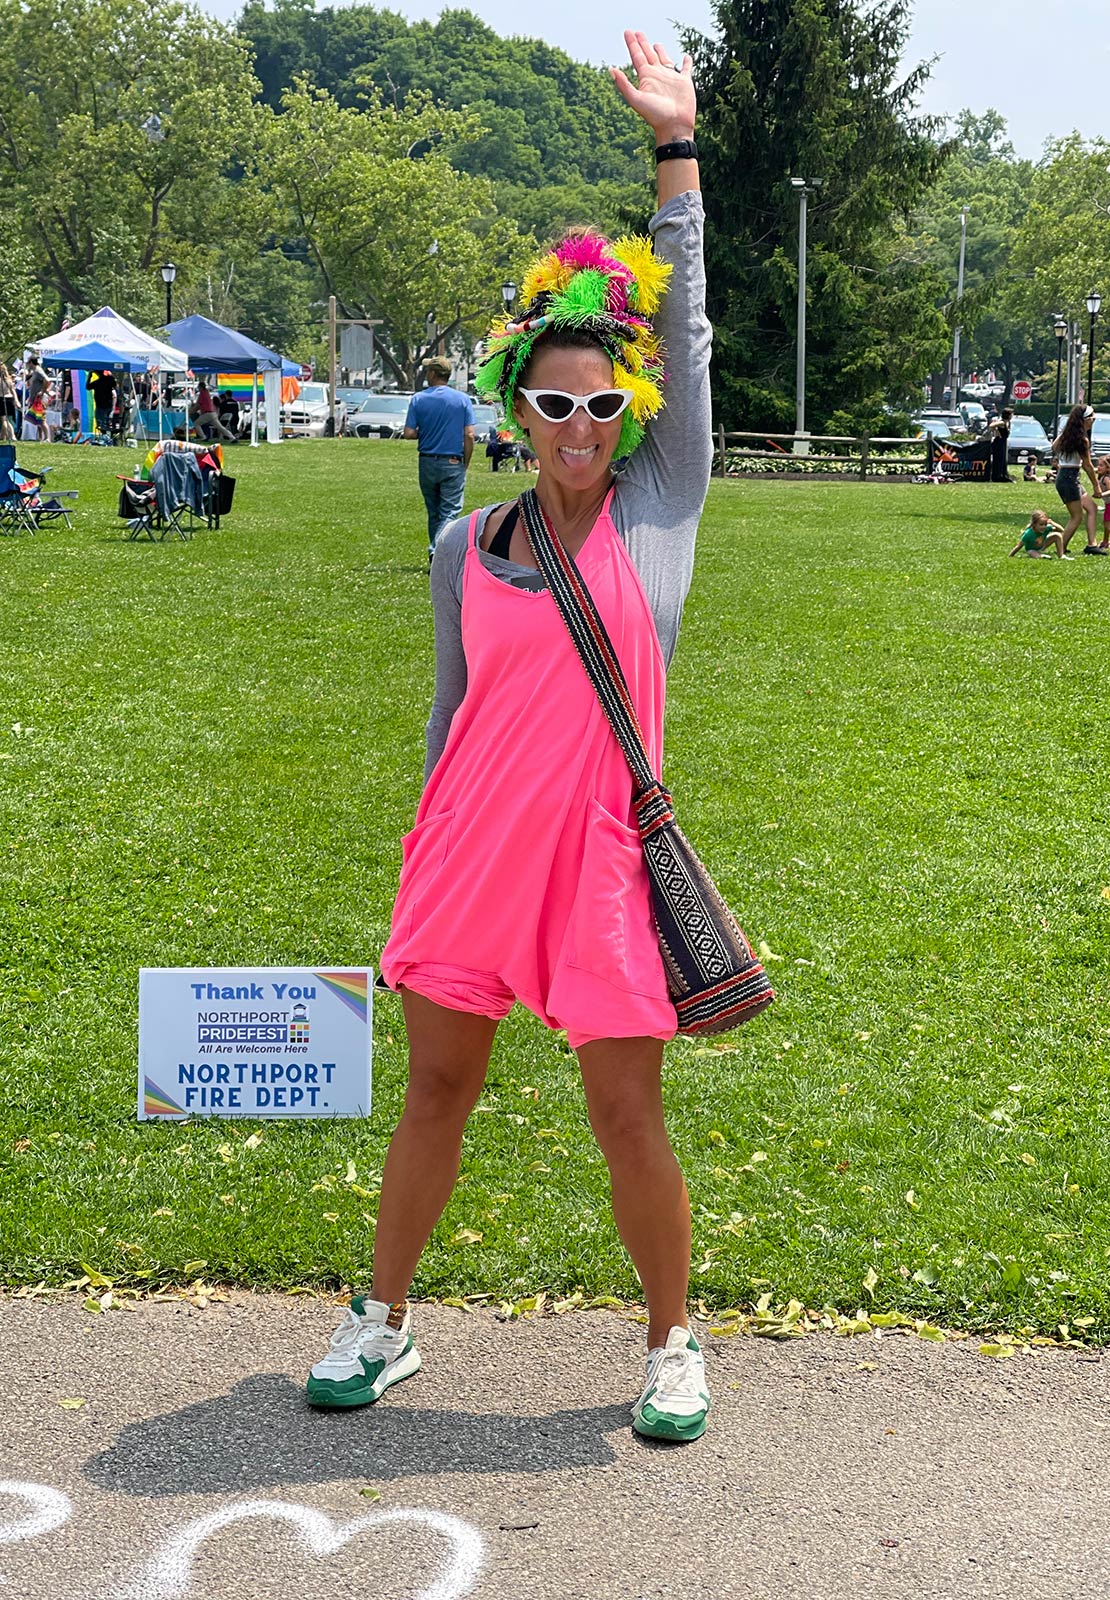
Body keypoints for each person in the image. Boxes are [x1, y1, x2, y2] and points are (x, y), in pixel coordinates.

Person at [306, 29, 715, 1444]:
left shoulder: (661, 522)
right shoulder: (464, 544)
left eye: (608, 401)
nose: (583, 422)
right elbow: (447, 713)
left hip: (601, 859)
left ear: (635, 409)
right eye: (556, 401)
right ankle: (386, 1319)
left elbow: (695, 331)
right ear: (516, 409)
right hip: (474, 850)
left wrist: (677, 155)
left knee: (623, 1112)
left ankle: (672, 1341)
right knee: (434, 1088)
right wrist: (420, 848)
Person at [403, 357, 476, 563]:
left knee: (434, 510)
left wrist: (426, 433)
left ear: (433, 374)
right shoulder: (462, 400)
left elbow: (408, 433)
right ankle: (437, 550)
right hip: (453, 461)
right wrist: (465, 462)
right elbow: (469, 434)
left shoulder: (418, 399)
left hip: (426, 461)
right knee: (450, 510)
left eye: (427, 372)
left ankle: (436, 551)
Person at [1051, 403, 1101, 553]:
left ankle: (1092, 545)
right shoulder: (1082, 440)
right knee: (1077, 517)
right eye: (1092, 417)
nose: (1094, 419)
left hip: (1067, 477)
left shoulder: (1067, 436)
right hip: (1069, 479)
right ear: (1084, 420)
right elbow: (1087, 465)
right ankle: (1061, 547)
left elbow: (1054, 447)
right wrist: (1096, 486)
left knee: (1092, 508)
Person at [87, 369, 118, 436]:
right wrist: (111, 376)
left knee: (100, 422)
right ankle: (106, 435)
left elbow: (88, 387)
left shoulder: (98, 382)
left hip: (100, 405)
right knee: (106, 421)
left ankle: (104, 435)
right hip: (108, 404)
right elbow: (115, 383)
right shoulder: (110, 381)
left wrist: (89, 377)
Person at [989, 407, 1012, 482]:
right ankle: (997, 476)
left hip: (1003, 442)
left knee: (1003, 459)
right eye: (1011, 414)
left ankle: (1003, 474)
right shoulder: (1002, 423)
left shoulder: (1007, 423)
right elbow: (991, 426)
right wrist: (996, 432)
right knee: (999, 459)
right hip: (999, 442)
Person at [0, 362, 16, 442]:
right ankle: (6, 436)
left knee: (4, 420)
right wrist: (16, 400)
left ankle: (7, 436)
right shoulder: (9, 380)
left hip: (2, 399)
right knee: (8, 420)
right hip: (10, 399)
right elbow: (13, 390)